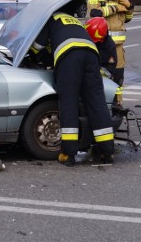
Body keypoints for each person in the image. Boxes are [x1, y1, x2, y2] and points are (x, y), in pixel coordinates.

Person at [30, 11, 115, 165]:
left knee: (69, 102)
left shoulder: (50, 18)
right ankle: (107, 151)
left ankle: (69, 154)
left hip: (69, 57)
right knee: (97, 102)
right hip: (91, 55)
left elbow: (37, 47)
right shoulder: (73, 20)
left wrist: (32, 54)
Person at [87, 0, 132, 85]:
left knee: (119, 78)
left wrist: (130, 9)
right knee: (103, 78)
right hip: (103, 46)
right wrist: (115, 8)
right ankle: (103, 103)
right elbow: (94, 13)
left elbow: (127, 19)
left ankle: (117, 102)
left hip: (118, 47)